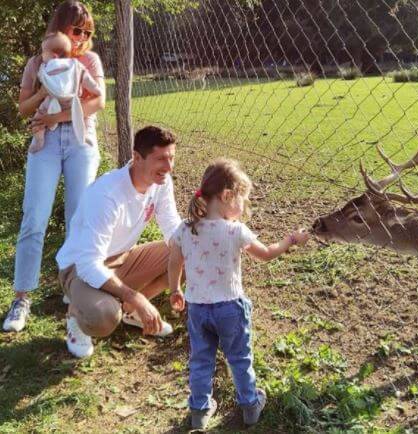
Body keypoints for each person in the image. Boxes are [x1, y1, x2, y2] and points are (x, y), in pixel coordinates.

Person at [168, 158, 309, 430]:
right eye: (241, 200)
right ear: (226, 196)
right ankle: (249, 405)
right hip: (230, 307)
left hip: (197, 308)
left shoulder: (185, 228)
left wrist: (175, 288)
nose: (243, 207)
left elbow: (174, 261)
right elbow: (267, 254)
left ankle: (199, 410)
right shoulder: (234, 230)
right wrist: (291, 240)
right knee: (239, 358)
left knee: (200, 360)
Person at [3, 0, 105, 333]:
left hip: (79, 141)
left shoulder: (88, 60)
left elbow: (98, 100)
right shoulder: (36, 62)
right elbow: (23, 107)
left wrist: (55, 116)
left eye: (87, 32)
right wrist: (45, 88)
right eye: (77, 30)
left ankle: (74, 292)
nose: (82, 37)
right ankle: (21, 298)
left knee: (79, 218)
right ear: (60, 27)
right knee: (34, 218)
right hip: (44, 146)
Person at [56, 126, 181, 358]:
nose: (169, 167)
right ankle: (76, 316)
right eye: (161, 159)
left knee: (189, 251)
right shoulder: (107, 195)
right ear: (136, 157)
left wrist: (204, 237)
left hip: (122, 257)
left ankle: (132, 312)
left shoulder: (161, 182)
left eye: (172, 158)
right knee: (104, 317)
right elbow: (88, 263)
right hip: (79, 268)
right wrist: (135, 295)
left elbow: (172, 227)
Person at [30, 32, 101, 153]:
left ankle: (39, 139)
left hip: (52, 102)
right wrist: (96, 90)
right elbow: (86, 79)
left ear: (53, 56)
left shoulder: (45, 68)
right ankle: (87, 133)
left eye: (43, 52)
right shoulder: (75, 65)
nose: (42, 56)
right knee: (87, 115)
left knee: (38, 119)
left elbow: (39, 84)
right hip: (73, 102)